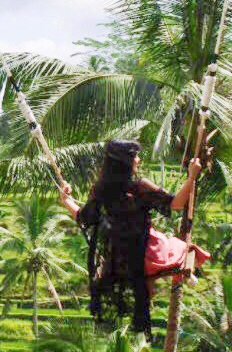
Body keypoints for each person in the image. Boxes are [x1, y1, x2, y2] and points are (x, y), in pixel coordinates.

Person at [59, 140, 208, 339]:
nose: (139, 159)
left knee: (162, 258)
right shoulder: (140, 188)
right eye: (135, 156)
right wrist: (192, 177)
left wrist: (66, 200)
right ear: (126, 162)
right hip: (146, 254)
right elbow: (176, 204)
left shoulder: (101, 191)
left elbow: (83, 216)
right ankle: (183, 275)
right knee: (186, 249)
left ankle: (169, 280)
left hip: (119, 259)